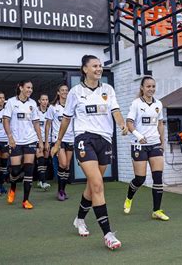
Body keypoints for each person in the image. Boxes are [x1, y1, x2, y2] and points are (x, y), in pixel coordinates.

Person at [51, 55, 128, 250]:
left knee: (93, 185)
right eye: (94, 66)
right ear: (84, 69)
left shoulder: (108, 89)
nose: (99, 68)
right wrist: (58, 141)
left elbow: (116, 111)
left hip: (105, 140)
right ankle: (108, 234)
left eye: (100, 66)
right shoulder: (75, 93)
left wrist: (121, 124)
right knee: (97, 184)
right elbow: (66, 119)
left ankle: (79, 219)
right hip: (84, 138)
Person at [123, 76, 169, 220]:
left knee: (157, 178)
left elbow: (160, 125)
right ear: (142, 88)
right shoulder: (136, 103)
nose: (151, 89)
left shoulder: (159, 104)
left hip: (154, 144)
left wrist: (162, 143)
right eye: (148, 86)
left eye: (153, 86)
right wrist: (138, 135)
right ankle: (129, 197)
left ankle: (157, 210)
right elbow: (129, 123)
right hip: (139, 145)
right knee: (140, 179)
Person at [3, 80, 44, 209]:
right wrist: (10, 137)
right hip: (15, 141)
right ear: (20, 88)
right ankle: (13, 188)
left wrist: (40, 140)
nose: (30, 90)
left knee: (29, 170)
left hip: (30, 140)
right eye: (27, 87)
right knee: (15, 171)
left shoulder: (32, 103)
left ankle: (25, 200)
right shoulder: (11, 102)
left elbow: (36, 123)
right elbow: (6, 120)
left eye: (31, 88)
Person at [46, 84, 75, 200]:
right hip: (58, 140)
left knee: (67, 166)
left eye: (66, 90)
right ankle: (60, 191)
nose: (65, 92)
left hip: (70, 138)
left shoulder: (71, 106)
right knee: (62, 164)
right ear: (58, 93)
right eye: (62, 90)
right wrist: (47, 141)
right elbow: (48, 124)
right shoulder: (53, 107)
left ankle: (63, 190)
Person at [36, 93, 51, 190]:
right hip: (37, 139)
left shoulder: (50, 111)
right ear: (39, 101)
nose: (45, 101)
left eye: (46, 100)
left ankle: (41, 180)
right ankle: (43, 182)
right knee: (40, 160)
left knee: (45, 161)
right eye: (43, 99)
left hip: (48, 140)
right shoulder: (35, 111)